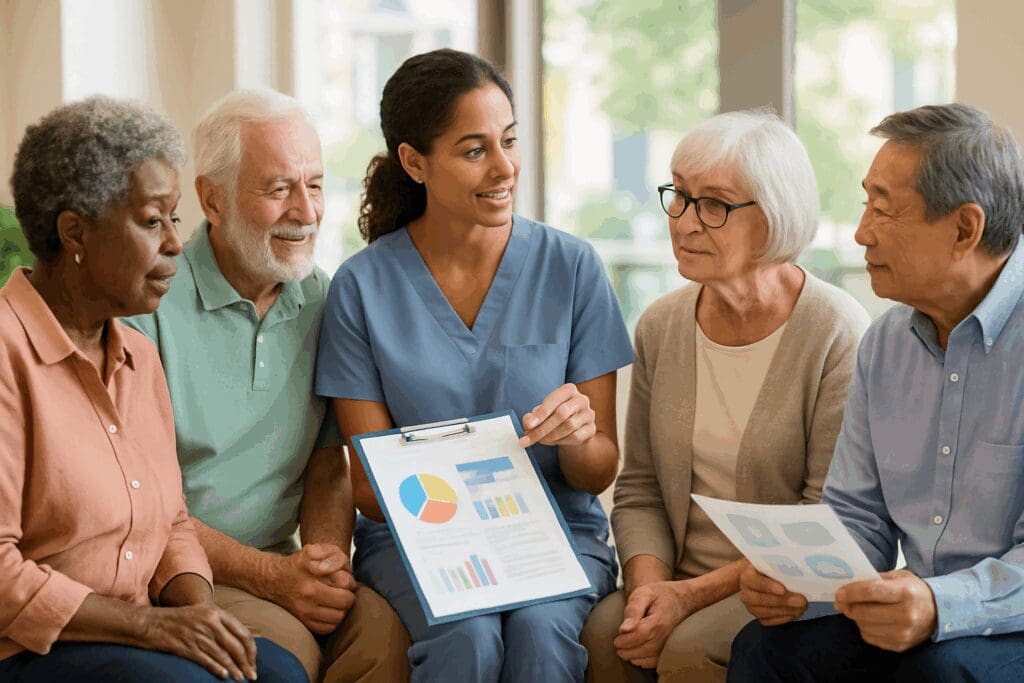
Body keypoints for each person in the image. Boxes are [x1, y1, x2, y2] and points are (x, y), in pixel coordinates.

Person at [314, 48, 634, 682]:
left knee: (544, 638)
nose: (504, 167)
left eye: (509, 141)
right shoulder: (361, 288)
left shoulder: (572, 269)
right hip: (422, 538)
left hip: (556, 531)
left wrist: (576, 439)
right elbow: (369, 490)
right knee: (467, 637)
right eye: (473, 150)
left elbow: (598, 469)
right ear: (414, 162)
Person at [0, 96, 305, 682]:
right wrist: (151, 628)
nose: (174, 244)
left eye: (174, 218)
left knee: (278, 673)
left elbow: (171, 524)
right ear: (74, 234)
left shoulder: (138, 354)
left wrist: (202, 618)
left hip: (132, 635)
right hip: (32, 650)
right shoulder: (8, 355)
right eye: (151, 221)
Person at [729, 103, 1024, 682]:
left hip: (1004, 619)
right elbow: (858, 516)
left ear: (965, 228)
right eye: (867, 203)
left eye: (883, 210)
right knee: (764, 649)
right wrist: (799, 580)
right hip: (919, 614)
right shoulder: (887, 341)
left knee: (941, 672)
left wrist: (942, 605)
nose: (862, 232)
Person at [122, 89, 409, 683]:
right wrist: (273, 579)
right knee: (287, 654)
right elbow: (139, 499)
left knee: (387, 639)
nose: (305, 210)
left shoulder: (326, 297)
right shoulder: (143, 305)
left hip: (283, 564)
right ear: (212, 199)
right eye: (279, 188)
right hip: (177, 573)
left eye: (316, 184)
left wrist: (323, 564)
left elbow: (329, 461)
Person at [579, 109, 871, 682]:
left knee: (690, 648)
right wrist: (651, 591)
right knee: (605, 633)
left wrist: (687, 601)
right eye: (679, 196)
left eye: (713, 205)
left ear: (774, 218)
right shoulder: (661, 325)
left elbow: (825, 514)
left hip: (784, 583)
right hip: (675, 576)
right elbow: (637, 488)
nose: (685, 223)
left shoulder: (838, 331)